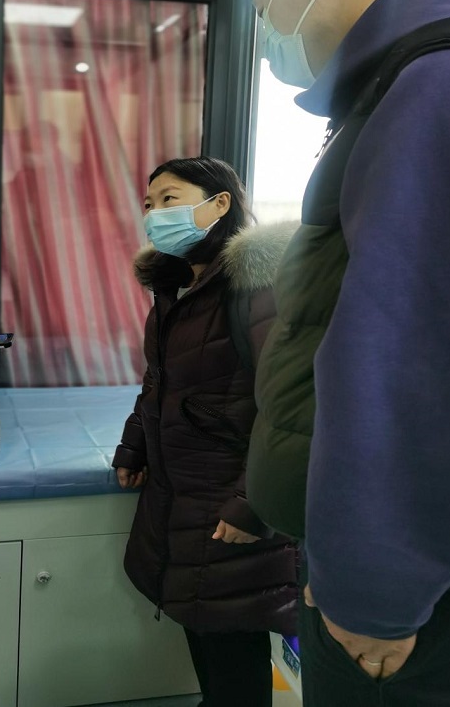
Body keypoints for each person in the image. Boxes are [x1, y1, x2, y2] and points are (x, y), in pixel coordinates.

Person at [246, 0, 450, 706]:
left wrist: (377, 589)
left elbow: (420, 350)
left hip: (421, 591)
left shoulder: (444, 81)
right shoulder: (414, 79)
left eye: (265, 13)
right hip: (424, 565)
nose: (267, 43)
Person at [112, 156, 298, 707]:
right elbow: (159, 383)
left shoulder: (258, 288)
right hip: (185, 492)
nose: (154, 214)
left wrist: (253, 502)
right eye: (149, 204)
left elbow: (289, 406)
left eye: (170, 199)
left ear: (220, 204)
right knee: (203, 623)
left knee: (232, 641)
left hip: (230, 501)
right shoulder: (177, 289)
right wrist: (135, 444)